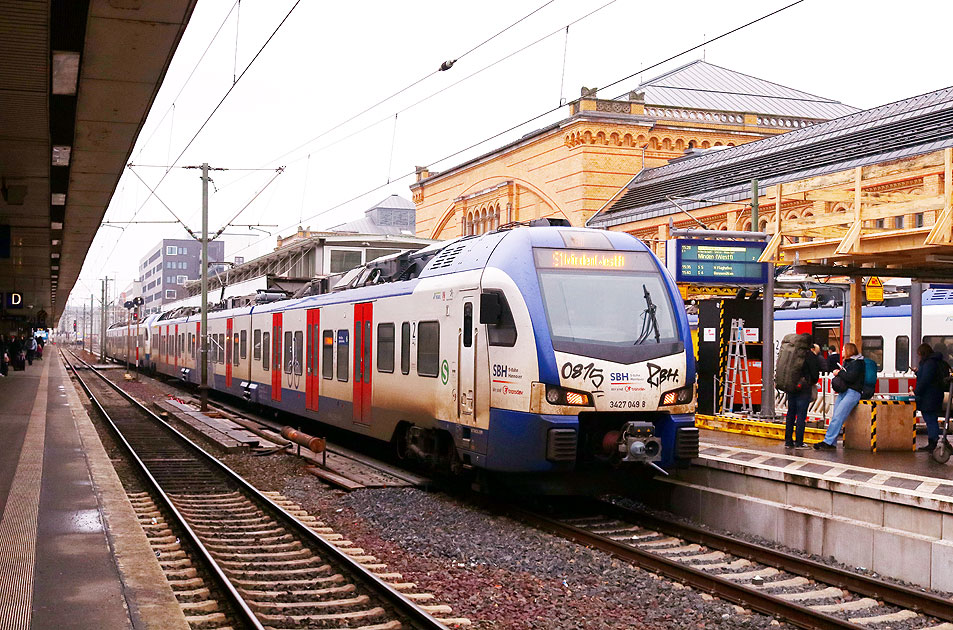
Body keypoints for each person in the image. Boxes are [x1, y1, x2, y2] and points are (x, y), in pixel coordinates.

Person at [815, 342, 865, 450]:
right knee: (836, 416)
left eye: (843, 349)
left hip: (852, 392)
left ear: (848, 351)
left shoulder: (857, 363)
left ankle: (828, 441)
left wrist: (839, 373)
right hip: (845, 392)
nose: (841, 351)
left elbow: (851, 377)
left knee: (838, 416)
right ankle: (831, 442)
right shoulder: (850, 362)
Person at [912, 343, 951, 452]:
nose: (919, 356)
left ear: (923, 353)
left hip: (930, 396)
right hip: (935, 394)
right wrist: (918, 372)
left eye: (919, 354)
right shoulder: (934, 362)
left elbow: (925, 381)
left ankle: (933, 442)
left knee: (930, 419)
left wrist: (916, 392)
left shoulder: (929, 363)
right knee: (931, 418)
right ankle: (932, 441)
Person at [784, 338, 821, 449]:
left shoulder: (792, 354)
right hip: (804, 388)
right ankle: (799, 442)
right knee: (801, 415)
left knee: (790, 414)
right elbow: (815, 375)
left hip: (791, 387)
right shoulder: (810, 356)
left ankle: (788, 441)